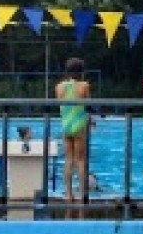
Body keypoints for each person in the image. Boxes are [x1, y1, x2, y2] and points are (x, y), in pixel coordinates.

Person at [57, 57, 92, 218]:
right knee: (81, 160)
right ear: (82, 72)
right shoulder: (84, 86)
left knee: (69, 159)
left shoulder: (59, 87)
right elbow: (88, 105)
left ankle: (69, 194)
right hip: (79, 124)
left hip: (66, 125)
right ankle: (83, 194)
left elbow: (61, 106)